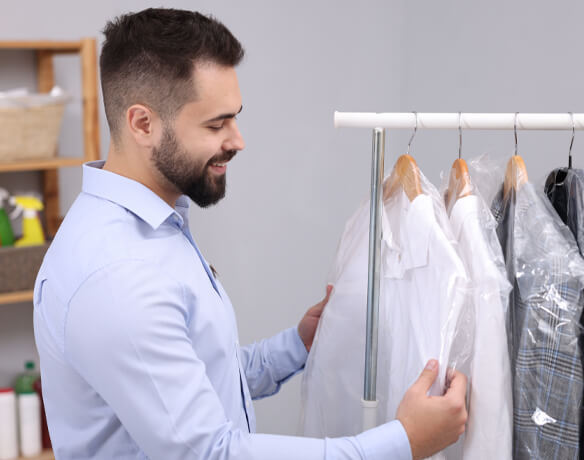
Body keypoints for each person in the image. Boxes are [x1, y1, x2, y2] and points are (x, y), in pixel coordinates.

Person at [33, 8, 468, 460]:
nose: (237, 140)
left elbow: (193, 383)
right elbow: (212, 453)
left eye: (235, 118)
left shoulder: (158, 230)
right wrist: (404, 442)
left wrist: (296, 345)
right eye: (216, 124)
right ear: (143, 124)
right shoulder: (118, 275)